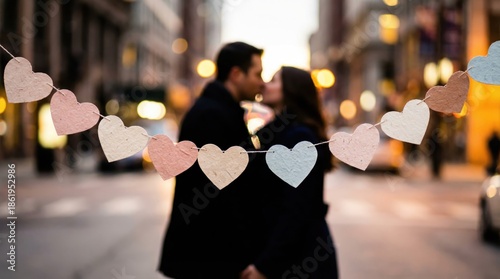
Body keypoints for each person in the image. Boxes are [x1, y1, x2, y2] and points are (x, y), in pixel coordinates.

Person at [158, 42, 265, 278]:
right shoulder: (211, 115)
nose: (262, 82)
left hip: (211, 253)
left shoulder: (222, 110)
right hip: (208, 255)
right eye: (258, 74)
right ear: (236, 74)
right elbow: (221, 193)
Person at [241, 67, 339, 279]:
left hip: (301, 258)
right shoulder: (280, 133)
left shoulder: (298, 137)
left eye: (274, 80)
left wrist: (265, 266)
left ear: (292, 90)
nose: (265, 84)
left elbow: (297, 209)